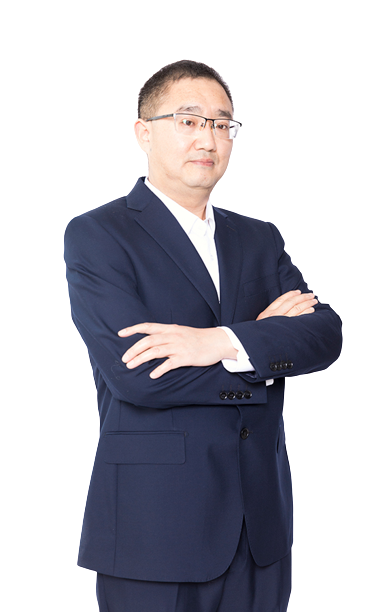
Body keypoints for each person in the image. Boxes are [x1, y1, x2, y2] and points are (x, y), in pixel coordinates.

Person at [64, 59, 342, 612]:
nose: (208, 138)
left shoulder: (259, 237)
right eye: (189, 121)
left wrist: (219, 342)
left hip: (261, 529)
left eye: (222, 123)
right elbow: (140, 375)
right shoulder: (98, 233)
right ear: (143, 133)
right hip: (154, 529)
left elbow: (324, 335)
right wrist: (263, 347)